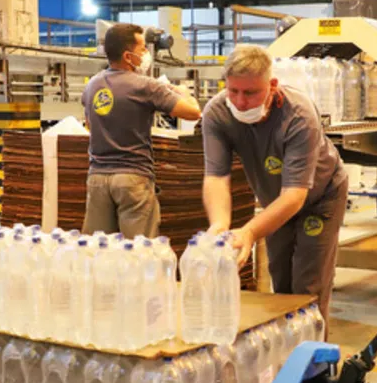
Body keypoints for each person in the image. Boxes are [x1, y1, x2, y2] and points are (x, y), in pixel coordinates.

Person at [201, 45, 348, 323]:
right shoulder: (217, 113)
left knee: (308, 289)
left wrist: (249, 232)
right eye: (233, 91)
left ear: (272, 85)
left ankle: (314, 363)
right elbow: (217, 176)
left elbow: (294, 196)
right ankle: (285, 359)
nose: (240, 102)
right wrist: (219, 226)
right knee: (280, 284)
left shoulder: (298, 115)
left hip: (320, 197)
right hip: (274, 200)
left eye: (251, 92)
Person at [81, 23, 201, 238]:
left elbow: (89, 125)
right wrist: (184, 91)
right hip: (132, 179)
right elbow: (193, 113)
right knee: (138, 253)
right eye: (143, 48)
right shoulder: (146, 86)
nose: (147, 54)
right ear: (128, 56)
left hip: (97, 179)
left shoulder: (92, 85)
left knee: (98, 252)